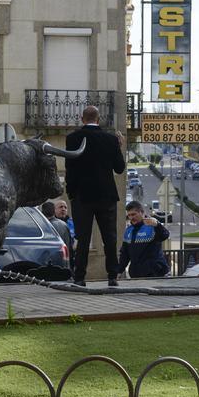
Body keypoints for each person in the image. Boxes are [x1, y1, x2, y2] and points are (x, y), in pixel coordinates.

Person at [65, 105, 126, 287]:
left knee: (82, 238)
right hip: (106, 196)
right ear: (98, 120)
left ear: (82, 119)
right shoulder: (110, 140)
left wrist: (71, 192)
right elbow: (119, 168)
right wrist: (119, 147)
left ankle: (79, 277)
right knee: (110, 238)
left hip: (82, 196)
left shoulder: (73, 138)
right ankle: (112, 277)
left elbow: (70, 169)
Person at [118, 201, 171, 278]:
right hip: (136, 274)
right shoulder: (129, 230)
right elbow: (125, 254)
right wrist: (119, 271)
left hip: (155, 273)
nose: (131, 217)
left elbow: (165, 235)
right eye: (129, 215)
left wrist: (157, 225)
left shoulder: (152, 225)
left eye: (133, 214)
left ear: (142, 213)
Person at [41, 201, 73, 270]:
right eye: (61, 207)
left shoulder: (70, 223)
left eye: (65, 207)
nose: (63, 209)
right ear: (54, 210)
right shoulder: (63, 225)